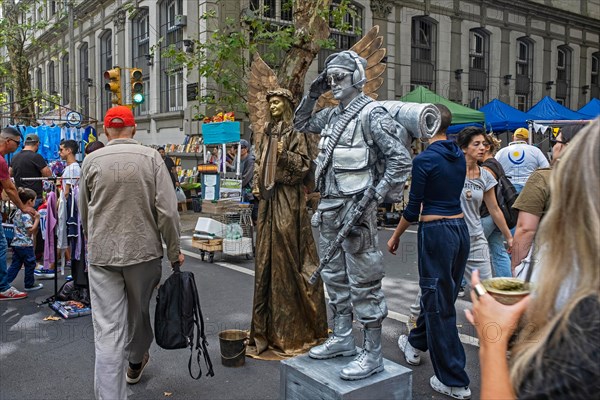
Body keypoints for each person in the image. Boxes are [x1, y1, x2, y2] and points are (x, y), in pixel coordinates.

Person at [294, 50, 412, 380]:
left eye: (339, 77)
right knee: (335, 280)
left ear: (357, 77)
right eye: (329, 78)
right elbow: (300, 123)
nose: (333, 84)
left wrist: (375, 195)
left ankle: (373, 353)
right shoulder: (332, 116)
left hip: (357, 213)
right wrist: (313, 93)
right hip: (330, 208)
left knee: (365, 283)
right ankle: (343, 338)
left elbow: (400, 161)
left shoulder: (372, 114)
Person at [465, 118, 599, 399]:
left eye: (559, 141)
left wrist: (494, 340)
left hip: (547, 268)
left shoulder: (584, 322)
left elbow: (525, 228)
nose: (554, 146)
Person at [79, 106, 184, 399]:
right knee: (138, 315)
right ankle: (136, 359)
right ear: (134, 129)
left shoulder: (91, 161)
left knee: (107, 330)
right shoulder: (152, 158)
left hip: (103, 255)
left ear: (105, 129)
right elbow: (168, 211)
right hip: (144, 252)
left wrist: (93, 241)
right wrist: (174, 252)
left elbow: (84, 212)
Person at [387, 104, 472, 399]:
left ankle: (453, 379)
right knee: (438, 295)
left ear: (425, 126)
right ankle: (415, 344)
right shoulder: (459, 154)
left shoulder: (424, 160)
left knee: (439, 303)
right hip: (460, 231)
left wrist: (395, 236)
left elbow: (413, 208)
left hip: (436, 233)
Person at [246, 88, 328, 359]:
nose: (273, 106)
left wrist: (284, 155)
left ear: (288, 105)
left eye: (278, 101)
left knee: (287, 256)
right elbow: (259, 162)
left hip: (288, 202)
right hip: (269, 202)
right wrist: (260, 180)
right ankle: (264, 330)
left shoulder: (296, 131)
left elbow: (305, 165)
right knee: (266, 259)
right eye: (270, 102)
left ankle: (294, 329)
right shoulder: (267, 131)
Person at [510, 123, 586, 275]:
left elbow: (526, 228)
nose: (553, 147)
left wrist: (516, 267)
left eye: (555, 142)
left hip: (552, 263)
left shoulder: (543, 178)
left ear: (567, 146)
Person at [456, 127, 513, 283]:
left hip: (477, 235)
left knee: (484, 286)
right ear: (464, 148)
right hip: (453, 236)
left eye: (484, 144)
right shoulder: (452, 172)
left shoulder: (486, 174)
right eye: (476, 144)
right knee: (445, 286)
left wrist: (509, 237)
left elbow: (494, 208)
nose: (482, 148)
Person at [0, 127, 37, 301]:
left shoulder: (8, 160)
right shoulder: (1, 161)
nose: (18, 146)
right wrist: (23, 207)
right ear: (8, 141)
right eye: (17, 142)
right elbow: (9, 187)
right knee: (1, 246)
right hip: (23, 243)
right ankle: (2, 287)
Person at [479, 134, 512, 277]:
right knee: (498, 251)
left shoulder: (487, 168)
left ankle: (459, 284)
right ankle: (506, 285)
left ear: (486, 148)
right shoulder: (496, 164)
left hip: (487, 214)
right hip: (497, 215)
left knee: (469, 250)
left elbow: (483, 195)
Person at [6, 188, 42, 292]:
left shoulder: (18, 211)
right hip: (25, 244)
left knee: (15, 264)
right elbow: (30, 230)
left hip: (17, 244)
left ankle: (5, 282)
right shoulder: (26, 214)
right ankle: (29, 284)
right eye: (34, 200)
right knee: (30, 264)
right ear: (30, 201)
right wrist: (37, 219)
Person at [494, 127, 549, 193]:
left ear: (513, 137)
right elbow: (546, 168)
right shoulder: (535, 151)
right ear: (528, 139)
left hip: (508, 189)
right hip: (530, 188)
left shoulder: (501, 152)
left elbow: (494, 170)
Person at [9, 133, 52, 208]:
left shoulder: (15, 157)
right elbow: (48, 174)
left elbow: (10, 173)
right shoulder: (36, 157)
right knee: (34, 218)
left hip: (20, 196)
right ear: (37, 144)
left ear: (25, 143)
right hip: (34, 197)